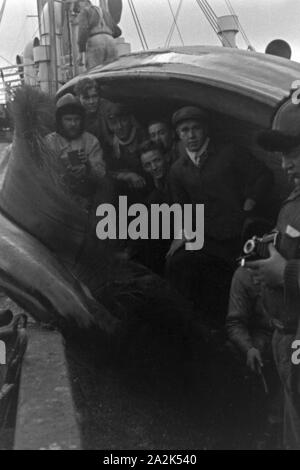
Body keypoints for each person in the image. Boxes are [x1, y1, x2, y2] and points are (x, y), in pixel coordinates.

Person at [166, 106, 274, 324]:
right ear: (178, 134)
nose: (191, 135)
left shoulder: (229, 152)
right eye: (185, 130)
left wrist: (249, 203)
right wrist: (184, 235)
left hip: (239, 233)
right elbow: (183, 208)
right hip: (208, 238)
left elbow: (264, 175)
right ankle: (196, 324)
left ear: (205, 129)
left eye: (195, 128)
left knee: (244, 283)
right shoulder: (178, 169)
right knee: (177, 263)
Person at [245, 129, 300, 449]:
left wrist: (285, 271)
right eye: (282, 156)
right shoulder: (295, 197)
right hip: (287, 334)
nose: (285, 164)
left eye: (294, 153)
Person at [45, 93, 106, 207]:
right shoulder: (49, 142)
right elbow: (44, 174)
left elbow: (101, 174)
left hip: (88, 198)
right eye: (68, 119)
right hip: (58, 198)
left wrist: (87, 168)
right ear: (60, 120)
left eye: (76, 119)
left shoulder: (91, 141)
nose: (73, 124)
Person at [104, 102, 147, 195]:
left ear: (130, 120)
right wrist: (126, 175)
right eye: (114, 123)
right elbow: (106, 172)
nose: (119, 127)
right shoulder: (110, 145)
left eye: (123, 120)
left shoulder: (143, 137)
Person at [77, 0, 118, 70]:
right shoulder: (105, 12)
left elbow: (83, 30)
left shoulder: (85, 11)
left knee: (94, 71)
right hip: (111, 41)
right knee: (112, 71)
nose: (78, 9)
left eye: (78, 6)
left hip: (96, 40)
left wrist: (81, 52)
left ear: (85, 2)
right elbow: (116, 30)